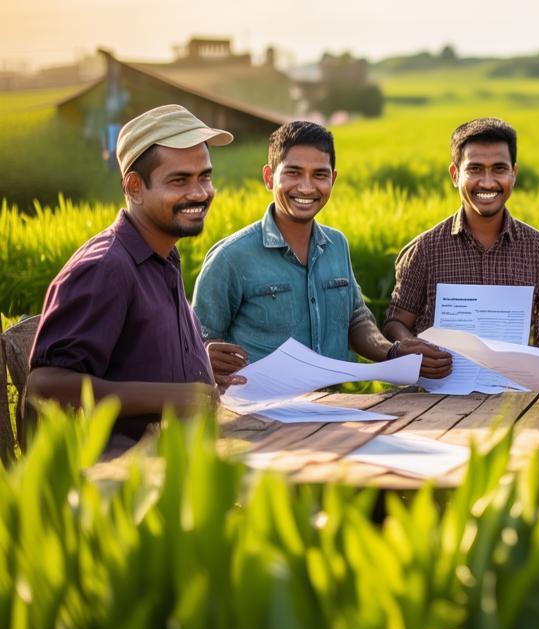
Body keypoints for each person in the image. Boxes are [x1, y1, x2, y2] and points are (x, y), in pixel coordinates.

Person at [26, 104, 232, 452]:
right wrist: (173, 395)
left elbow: (134, 353)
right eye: (179, 180)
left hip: (178, 459)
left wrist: (194, 360)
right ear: (135, 187)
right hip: (123, 483)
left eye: (205, 176)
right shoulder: (106, 268)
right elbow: (45, 384)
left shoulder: (163, 255)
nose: (200, 193)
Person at [192, 120, 447, 382]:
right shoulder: (231, 257)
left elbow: (356, 318)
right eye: (293, 173)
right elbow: (195, 344)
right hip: (258, 414)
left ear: (333, 179)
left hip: (334, 407)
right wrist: (205, 355)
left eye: (319, 174)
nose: (306, 187)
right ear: (269, 177)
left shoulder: (337, 245)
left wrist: (393, 351)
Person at [383, 117, 539, 361]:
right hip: (439, 394)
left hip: (517, 393)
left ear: (513, 173)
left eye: (499, 168)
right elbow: (395, 323)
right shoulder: (425, 250)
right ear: (455, 174)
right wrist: (413, 348)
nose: (487, 182)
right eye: (474, 169)